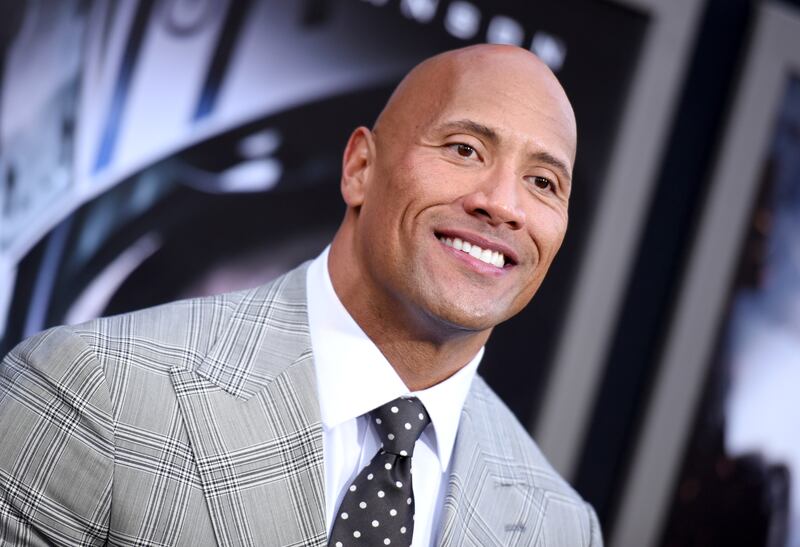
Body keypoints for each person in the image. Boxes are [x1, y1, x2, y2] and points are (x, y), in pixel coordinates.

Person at [0, 44, 601, 546]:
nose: (503, 204)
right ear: (360, 167)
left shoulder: (563, 528)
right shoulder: (88, 390)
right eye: (464, 149)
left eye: (542, 182)